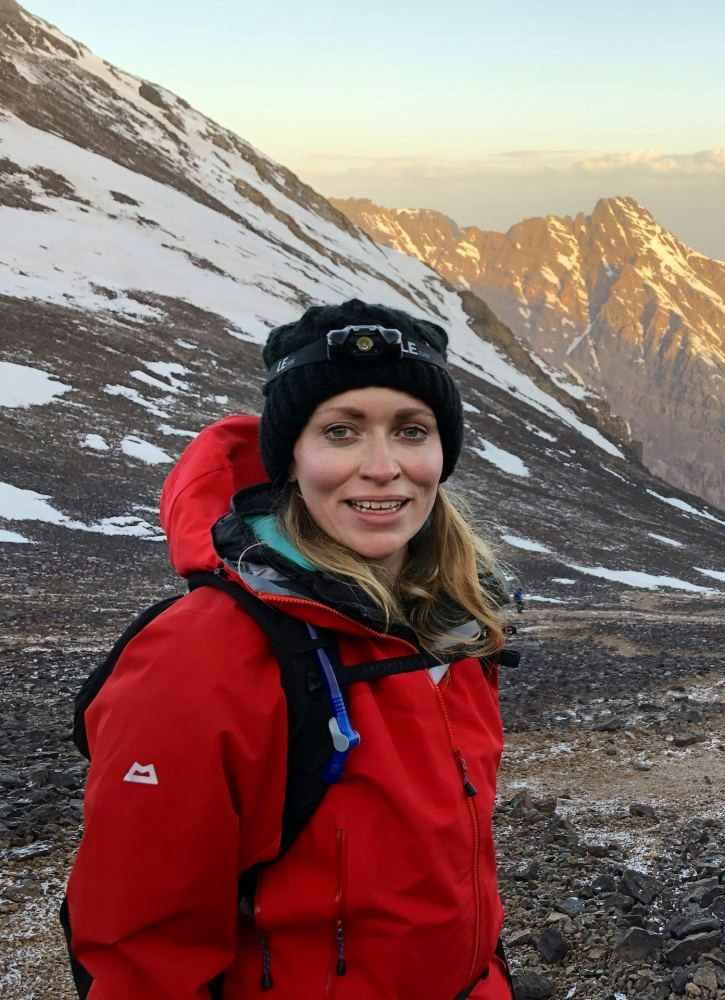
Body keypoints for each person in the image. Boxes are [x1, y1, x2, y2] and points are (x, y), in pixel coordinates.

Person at [65, 300, 514, 998]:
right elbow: (143, 958)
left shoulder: (454, 628)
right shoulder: (201, 658)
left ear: (442, 452)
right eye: (340, 431)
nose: (382, 466)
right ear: (291, 458)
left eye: (411, 431)